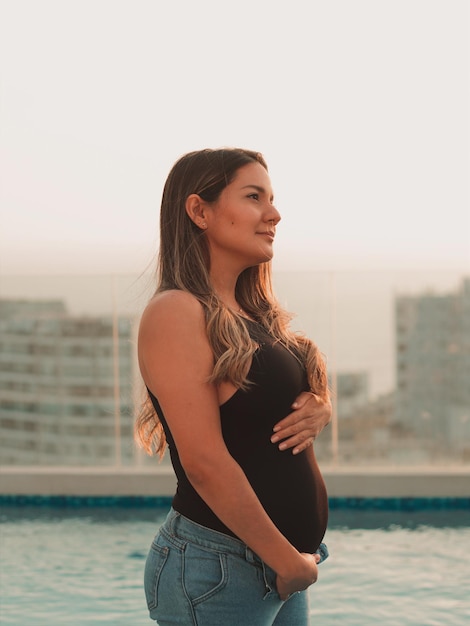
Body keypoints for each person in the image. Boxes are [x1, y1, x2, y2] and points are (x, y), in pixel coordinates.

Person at [135, 147, 331, 626]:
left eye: (272, 198)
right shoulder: (177, 311)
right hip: (222, 568)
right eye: (253, 197)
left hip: (274, 563)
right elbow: (203, 462)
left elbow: (258, 407)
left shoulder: (251, 315)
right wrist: (285, 562)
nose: (274, 214)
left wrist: (319, 405)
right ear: (199, 211)